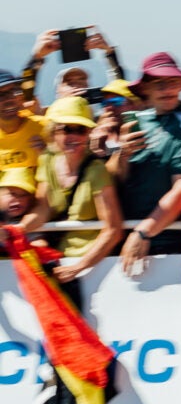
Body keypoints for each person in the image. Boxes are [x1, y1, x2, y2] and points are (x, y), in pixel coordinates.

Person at [109, 52, 181, 273]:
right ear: (144, 88)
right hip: (126, 238)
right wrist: (122, 154)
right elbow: (115, 179)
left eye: (173, 82)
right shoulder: (138, 121)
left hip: (168, 244)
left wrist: (144, 231)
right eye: (159, 84)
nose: (167, 89)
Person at [16, 97, 123, 281]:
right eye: (66, 129)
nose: (74, 136)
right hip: (57, 262)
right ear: (53, 132)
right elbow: (43, 208)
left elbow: (113, 230)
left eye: (80, 129)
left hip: (93, 268)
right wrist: (18, 229)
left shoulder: (97, 170)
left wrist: (78, 267)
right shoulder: (47, 160)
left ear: (88, 134)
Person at [0, 69, 50, 172]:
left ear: (21, 96)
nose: (8, 99)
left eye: (12, 92)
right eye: (1, 95)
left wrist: (48, 154)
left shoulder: (46, 127)